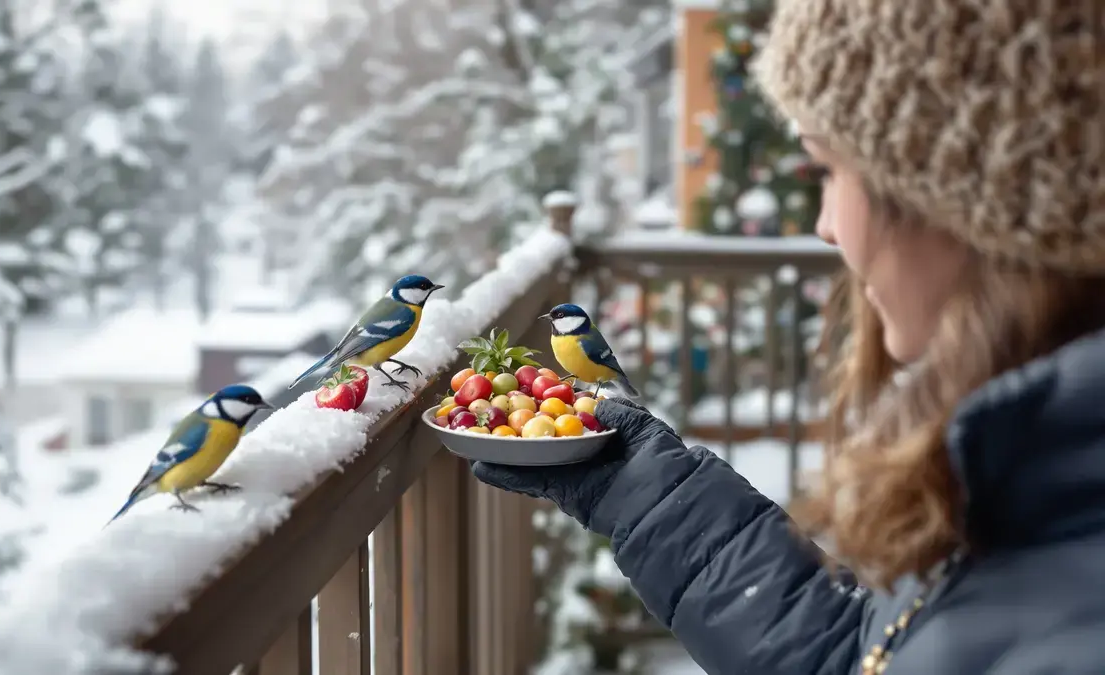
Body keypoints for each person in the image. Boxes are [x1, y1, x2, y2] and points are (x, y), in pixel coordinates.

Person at [473, 2, 1105, 673]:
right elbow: (862, 655)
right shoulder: (1023, 491)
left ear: (970, 194)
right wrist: (644, 490)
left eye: (829, 170)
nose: (827, 227)